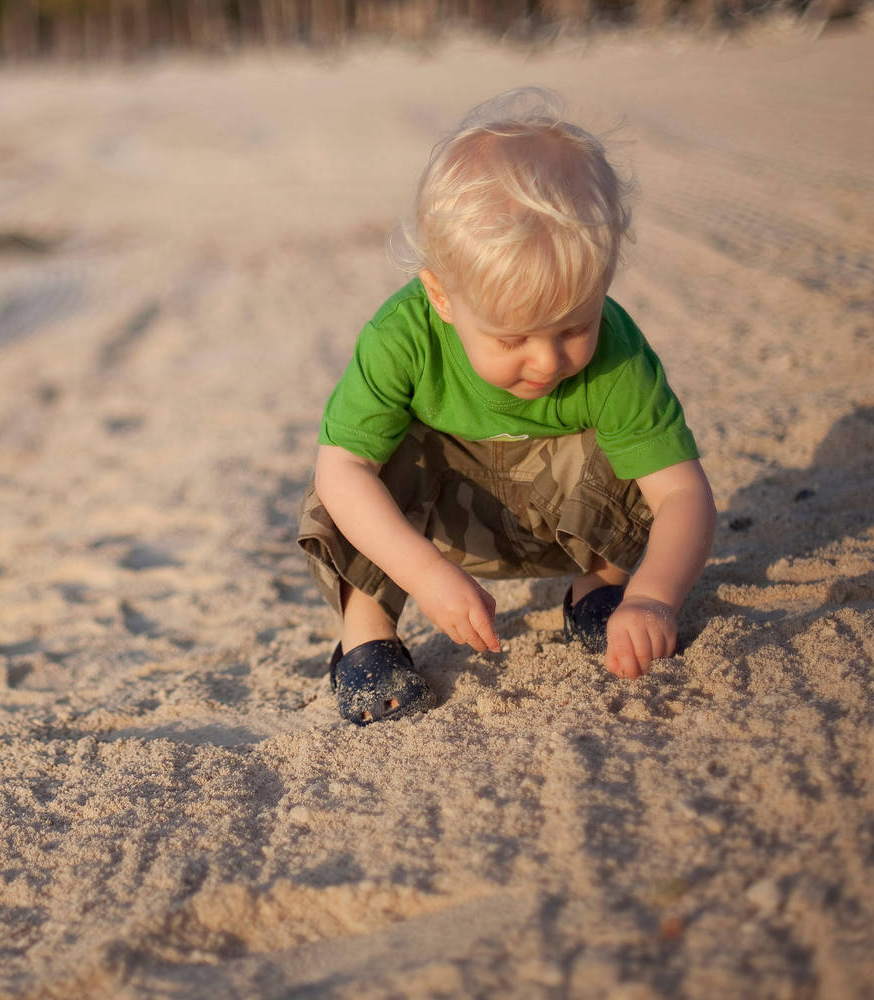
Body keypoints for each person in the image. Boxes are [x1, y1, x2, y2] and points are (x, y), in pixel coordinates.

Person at [297, 88, 716, 725]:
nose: (548, 361)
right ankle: (368, 630)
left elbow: (682, 494)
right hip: (442, 521)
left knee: (628, 448)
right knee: (354, 467)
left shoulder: (618, 353)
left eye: (575, 326)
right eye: (512, 338)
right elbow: (340, 473)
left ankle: (600, 589)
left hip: (561, 521)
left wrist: (656, 598)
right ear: (441, 295)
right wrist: (427, 574)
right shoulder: (401, 337)